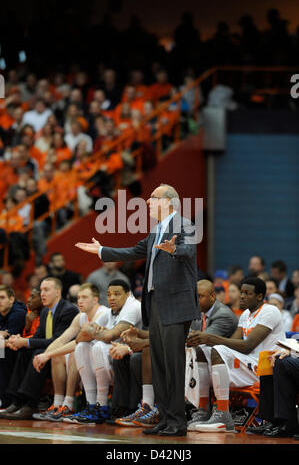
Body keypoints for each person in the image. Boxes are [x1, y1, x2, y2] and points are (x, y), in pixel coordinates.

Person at [75, 183, 200, 436]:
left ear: (169, 202)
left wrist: (174, 249)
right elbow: (133, 251)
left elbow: (188, 250)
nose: (148, 202)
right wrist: (101, 251)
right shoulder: (156, 231)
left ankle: (177, 422)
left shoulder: (183, 224)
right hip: (155, 303)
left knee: (173, 365)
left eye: (153, 198)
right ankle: (164, 419)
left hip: (176, 304)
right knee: (159, 364)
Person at [188, 277, 285, 433]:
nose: (241, 296)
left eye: (247, 293)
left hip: (266, 367)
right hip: (249, 364)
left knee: (216, 348)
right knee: (202, 349)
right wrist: (207, 341)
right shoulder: (246, 314)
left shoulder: (270, 311)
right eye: (241, 293)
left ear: (259, 296)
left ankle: (222, 413)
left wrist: (210, 338)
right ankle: (203, 409)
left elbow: (248, 346)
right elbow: (230, 342)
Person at [63, 279, 142, 425]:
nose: (111, 298)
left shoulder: (133, 307)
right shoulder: (110, 311)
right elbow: (80, 338)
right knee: (81, 348)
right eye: (109, 294)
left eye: (117, 294)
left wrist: (93, 331)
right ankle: (91, 405)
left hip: (127, 357)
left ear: (128, 294)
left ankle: (102, 405)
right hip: (112, 359)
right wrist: (94, 332)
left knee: (98, 346)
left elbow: (110, 336)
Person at [0, 277, 79, 419]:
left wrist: (25, 342)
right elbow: (37, 337)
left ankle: (31, 404)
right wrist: (20, 341)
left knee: (37, 351)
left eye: (46, 290)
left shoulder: (68, 310)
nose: (42, 294)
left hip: (66, 355)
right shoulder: (44, 312)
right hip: (48, 354)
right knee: (24, 351)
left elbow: (57, 341)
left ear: (57, 292)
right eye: (41, 290)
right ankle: (16, 401)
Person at [32, 283, 109, 422]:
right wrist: (44, 356)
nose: (80, 301)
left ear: (95, 299)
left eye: (84, 297)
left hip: (105, 359)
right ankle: (57, 404)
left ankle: (68, 405)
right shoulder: (81, 316)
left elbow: (78, 341)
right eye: (79, 297)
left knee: (75, 351)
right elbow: (63, 339)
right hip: (89, 360)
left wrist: (47, 355)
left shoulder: (103, 314)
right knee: (58, 356)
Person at [185, 279, 238, 430]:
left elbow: (199, 339)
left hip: (225, 362)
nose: (196, 300)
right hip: (206, 360)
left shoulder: (224, 315)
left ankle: (213, 411)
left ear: (213, 297)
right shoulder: (197, 312)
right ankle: (200, 410)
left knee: (197, 349)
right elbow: (185, 335)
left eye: (200, 296)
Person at [0, 285, 27, 408]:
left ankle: (6, 399)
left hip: (22, 349)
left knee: (3, 353)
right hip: (6, 348)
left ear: (11, 299)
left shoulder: (18, 313)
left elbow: (9, 342)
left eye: (2, 297)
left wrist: (2, 338)